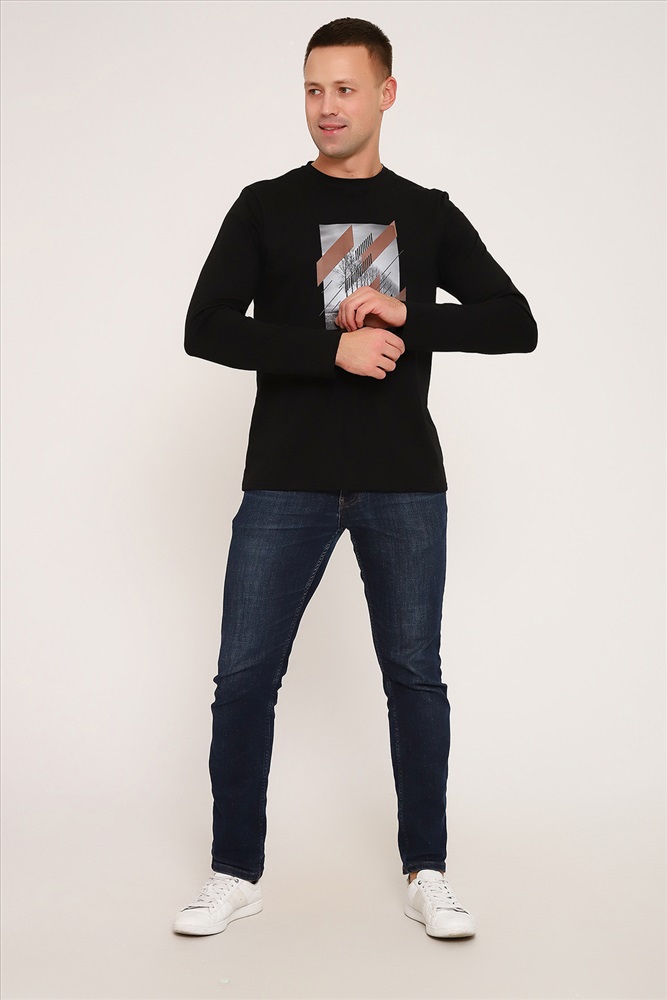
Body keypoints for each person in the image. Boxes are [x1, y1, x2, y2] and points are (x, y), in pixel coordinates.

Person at [173, 16, 537, 940]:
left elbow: (514, 321)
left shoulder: (427, 211)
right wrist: (326, 351)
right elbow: (205, 327)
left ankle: (427, 871)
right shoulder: (263, 206)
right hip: (286, 478)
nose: (326, 107)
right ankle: (233, 872)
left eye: (344, 88)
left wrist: (410, 316)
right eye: (312, 89)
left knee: (414, 677)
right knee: (244, 677)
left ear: (385, 94)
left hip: (402, 481)